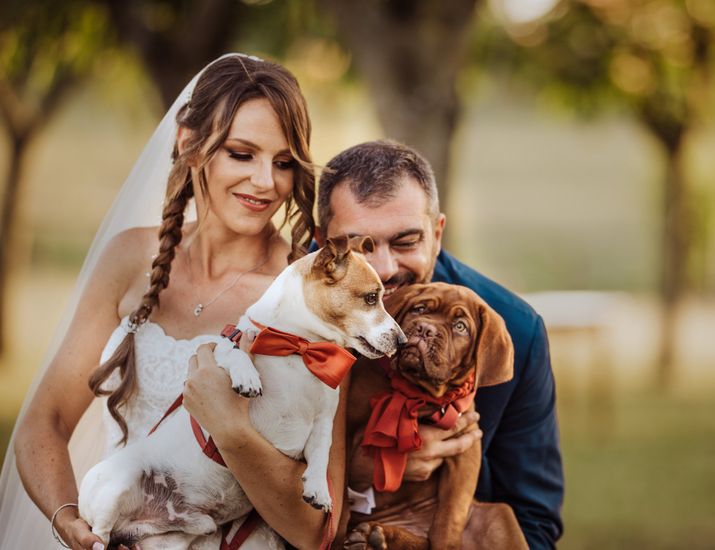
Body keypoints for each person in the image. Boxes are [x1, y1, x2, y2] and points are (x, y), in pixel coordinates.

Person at [0, 54, 341, 549]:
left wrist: (231, 430)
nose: (266, 182)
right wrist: (70, 521)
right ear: (190, 144)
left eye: (284, 162)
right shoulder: (129, 258)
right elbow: (44, 421)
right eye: (242, 154)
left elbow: (316, 531)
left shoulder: (307, 302)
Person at [313, 140, 564, 548]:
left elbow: (533, 520)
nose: (383, 269)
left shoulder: (514, 330)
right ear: (322, 239)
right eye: (360, 245)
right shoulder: (281, 310)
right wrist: (359, 468)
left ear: (437, 233)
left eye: (406, 241)